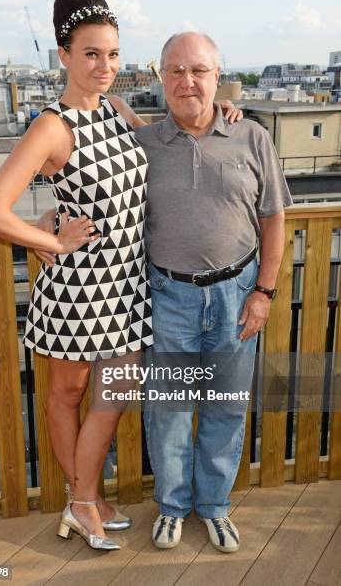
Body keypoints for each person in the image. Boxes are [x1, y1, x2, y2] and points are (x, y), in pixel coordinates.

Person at [0, 0, 240, 552]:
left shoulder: (118, 112)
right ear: (63, 55)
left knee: (112, 398)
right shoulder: (52, 125)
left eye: (113, 54)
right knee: (69, 396)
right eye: (91, 53)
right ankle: (84, 500)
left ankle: (83, 498)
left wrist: (228, 114)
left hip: (125, 289)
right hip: (76, 292)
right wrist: (48, 235)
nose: (105, 66)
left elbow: (173, 136)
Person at [136, 32, 293, 553]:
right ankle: (173, 506)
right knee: (171, 410)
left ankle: (214, 505)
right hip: (169, 298)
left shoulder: (251, 136)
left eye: (198, 70)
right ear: (160, 77)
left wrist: (264, 291)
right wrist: (50, 221)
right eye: (175, 71)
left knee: (224, 406)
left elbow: (274, 220)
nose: (188, 81)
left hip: (237, 295)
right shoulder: (142, 144)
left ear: (217, 75)